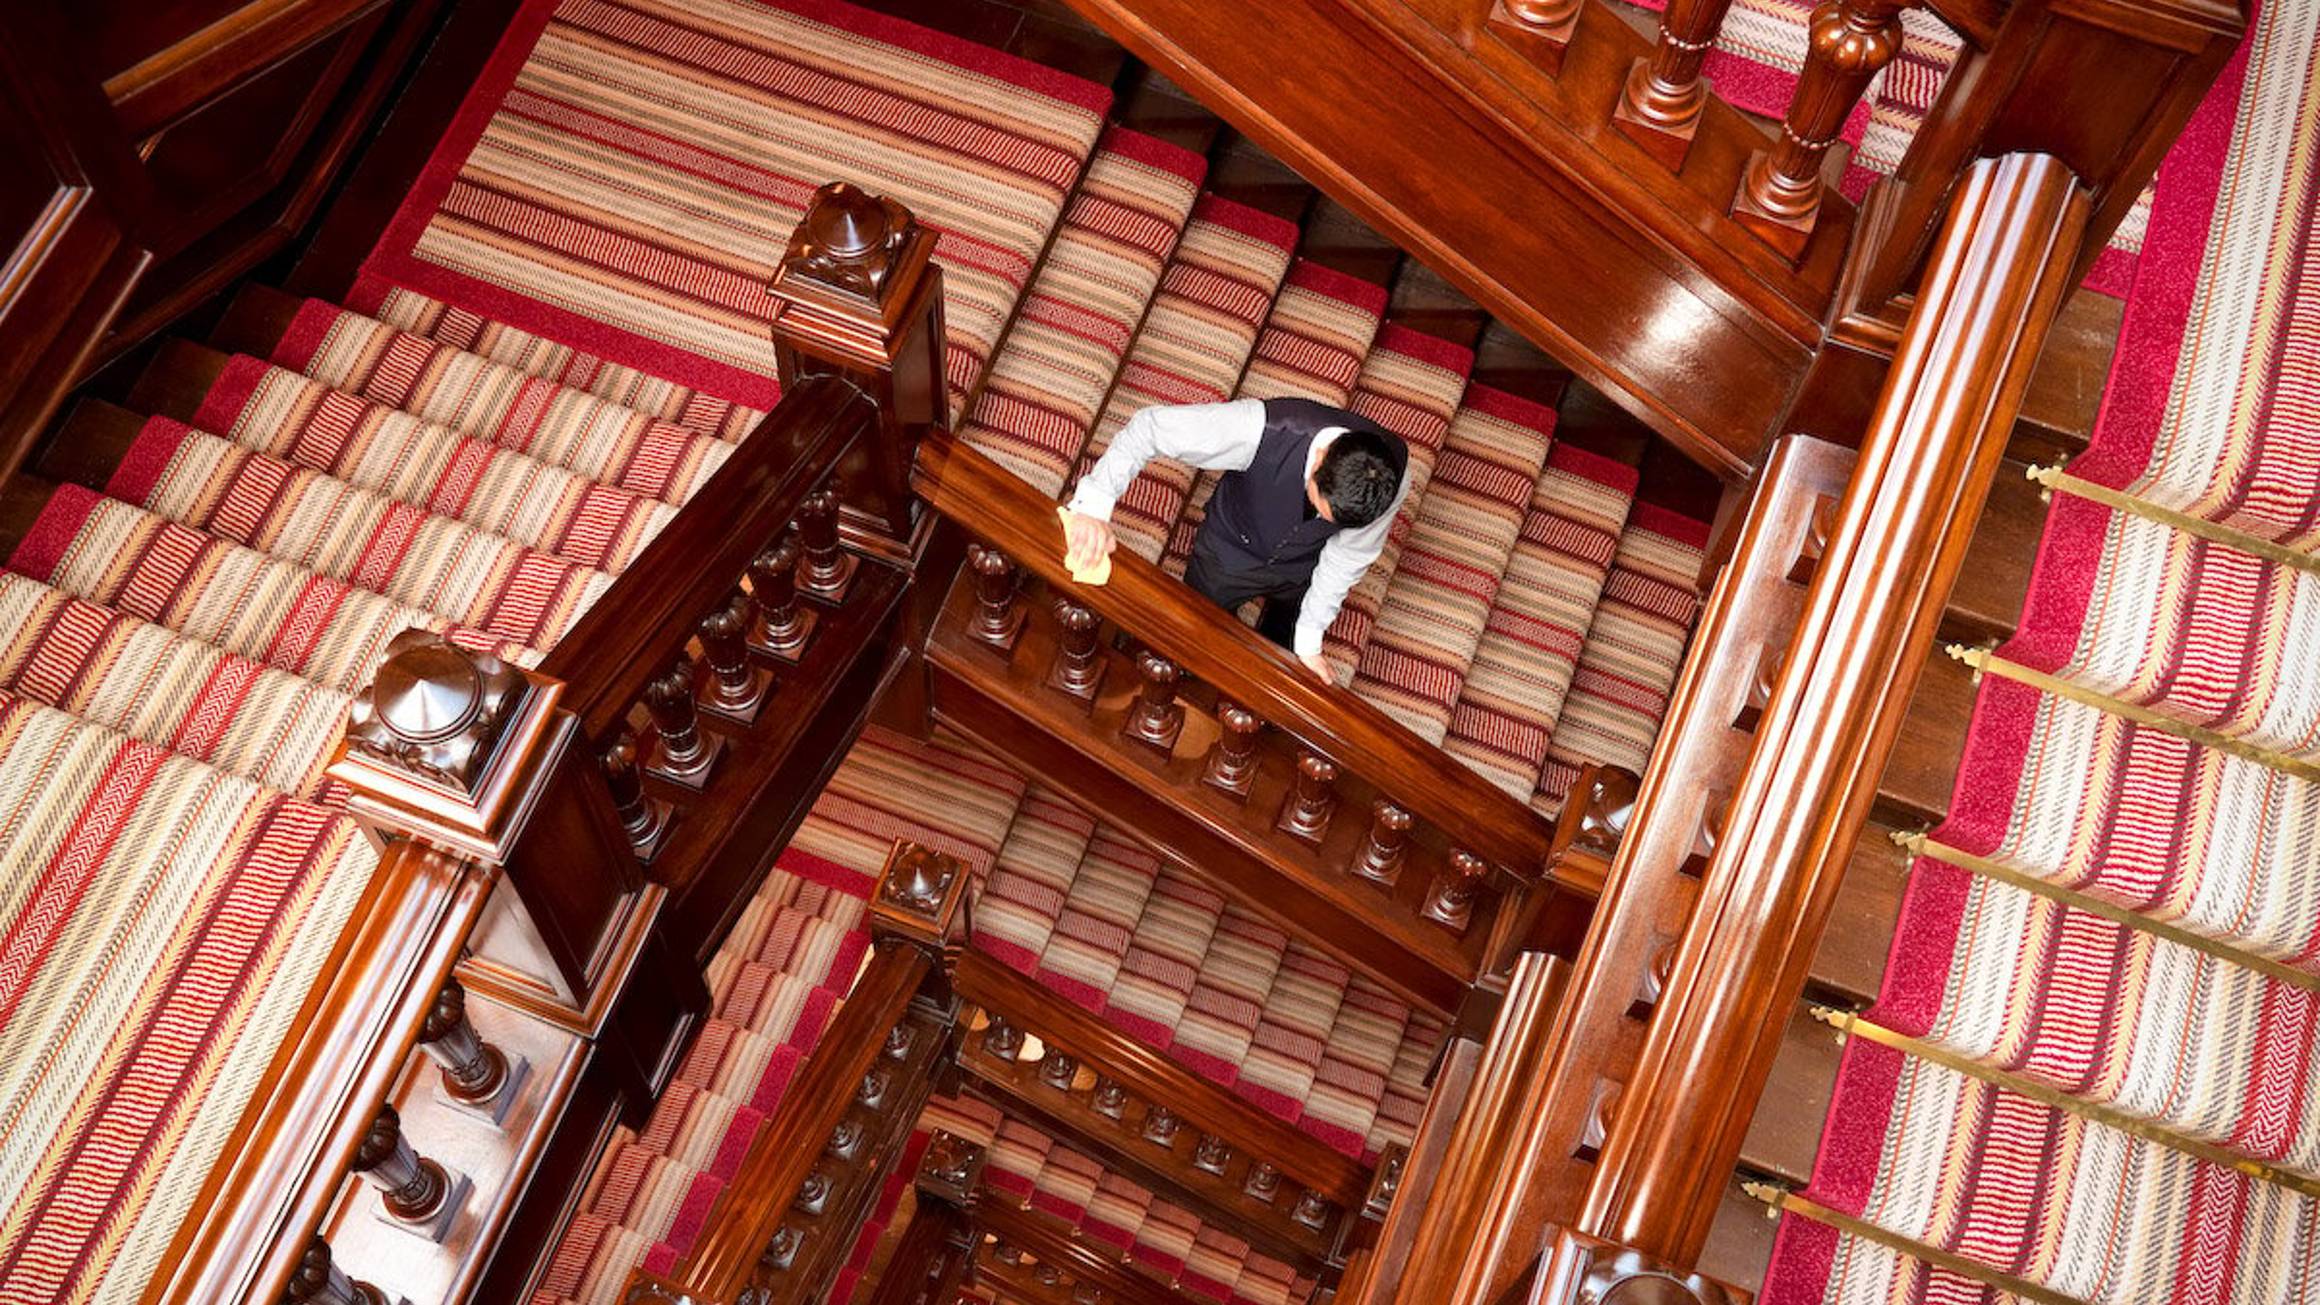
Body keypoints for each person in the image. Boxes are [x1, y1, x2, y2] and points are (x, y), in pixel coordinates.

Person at [1061, 396, 1408, 683]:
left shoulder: (1388, 482)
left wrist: (1309, 643)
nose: (1318, 519)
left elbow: (1346, 560)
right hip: (1229, 551)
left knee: (1287, 646)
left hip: (1303, 570)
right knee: (1195, 630)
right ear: (1319, 458)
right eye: (1318, 505)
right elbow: (1148, 428)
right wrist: (1093, 506)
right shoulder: (1259, 429)